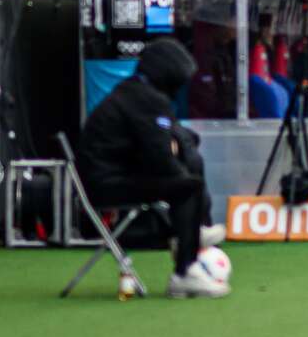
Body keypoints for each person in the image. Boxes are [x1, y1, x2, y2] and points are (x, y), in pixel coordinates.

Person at [78, 39, 226, 298]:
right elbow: (160, 158)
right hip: (108, 183)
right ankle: (185, 272)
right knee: (187, 187)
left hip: (112, 176)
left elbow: (176, 137)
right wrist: (184, 175)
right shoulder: (144, 99)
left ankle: (193, 233)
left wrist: (181, 153)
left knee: (187, 170)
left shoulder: (138, 93)